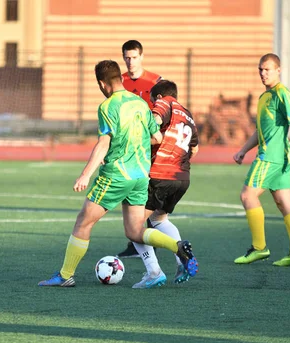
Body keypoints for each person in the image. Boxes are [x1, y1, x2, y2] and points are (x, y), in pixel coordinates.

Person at [38, 60, 198, 287]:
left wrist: (85, 174)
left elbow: (103, 144)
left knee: (83, 222)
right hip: (141, 176)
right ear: (120, 79)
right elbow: (158, 138)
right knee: (134, 231)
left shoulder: (107, 106)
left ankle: (65, 275)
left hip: (117, 175)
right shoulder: (141, 104)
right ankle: (177, 247)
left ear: (102, 84)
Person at [233, 53, 290, 267]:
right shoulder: (264, 97)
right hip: (278, 159)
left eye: (267, 69)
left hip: (271, 158)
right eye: (260, 69)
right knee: (284, 202)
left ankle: (259, 248)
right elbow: (261, 131)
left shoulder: (281, 93)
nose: (263, 73)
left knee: (247, 196)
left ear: (278, 70)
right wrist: (243, 150)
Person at [130, 79, 200, 289]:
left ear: (159, 97)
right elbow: (194, 149)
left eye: (152, 101)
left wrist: (136, 137)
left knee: (134, 226)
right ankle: (181, 262)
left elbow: (155, 120)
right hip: (182, 178)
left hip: (160, 174)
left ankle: (153, 271)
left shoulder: (164, 103)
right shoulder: (188, 116)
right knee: (159, 219)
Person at [116, 39, 163, 258]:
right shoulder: (119, 81)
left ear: (142, 57)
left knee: (148, 194)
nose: (130, 61)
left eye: (134, 57)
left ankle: (146, 238)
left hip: (151, 147)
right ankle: (138, 241)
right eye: (127, 57)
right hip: (127, 148)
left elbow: (164, 111)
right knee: (131, 192)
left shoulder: (155, 81)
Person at [121, 40, 162, 110]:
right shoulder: (118, 81)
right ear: (123, 57)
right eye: (128, 58)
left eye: (134, 57)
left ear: (141, 56)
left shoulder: (157, 81)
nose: (131, 62)